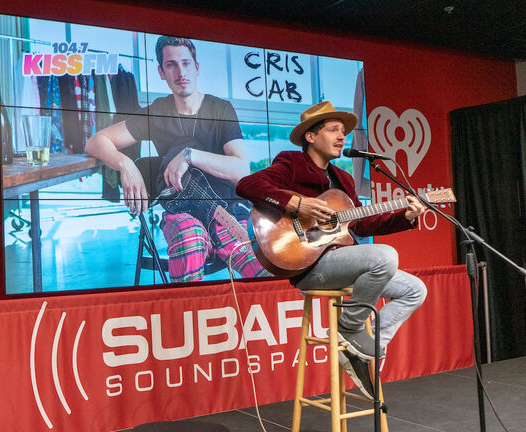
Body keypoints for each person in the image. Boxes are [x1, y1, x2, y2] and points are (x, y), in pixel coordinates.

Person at [235, 101, 428, 399]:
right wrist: (297, 203)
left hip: (342, 263)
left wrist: (407, 216)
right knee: (385, 256)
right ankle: (349, 328)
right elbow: (247, 185)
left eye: (343, 131)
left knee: (415, 289)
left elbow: (363, 225)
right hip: (311, 267)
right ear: (310, 137)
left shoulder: (344, 179)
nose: (342, 136)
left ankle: (364, 349)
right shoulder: (291, 163)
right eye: (333, 130)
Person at [85, 36, 268, 282]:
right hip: (183, 212)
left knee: (268, 268)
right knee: (188, 238)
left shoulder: (220, 109)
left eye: (185, 63)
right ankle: (188, 315)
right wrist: (126, 165)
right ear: (161, 72)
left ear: (196, 67)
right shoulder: (157, 111)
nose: (180, 72)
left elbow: (241, 170)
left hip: (227, 211)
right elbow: (95, 142)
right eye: (171, 65)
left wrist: (189, 156)